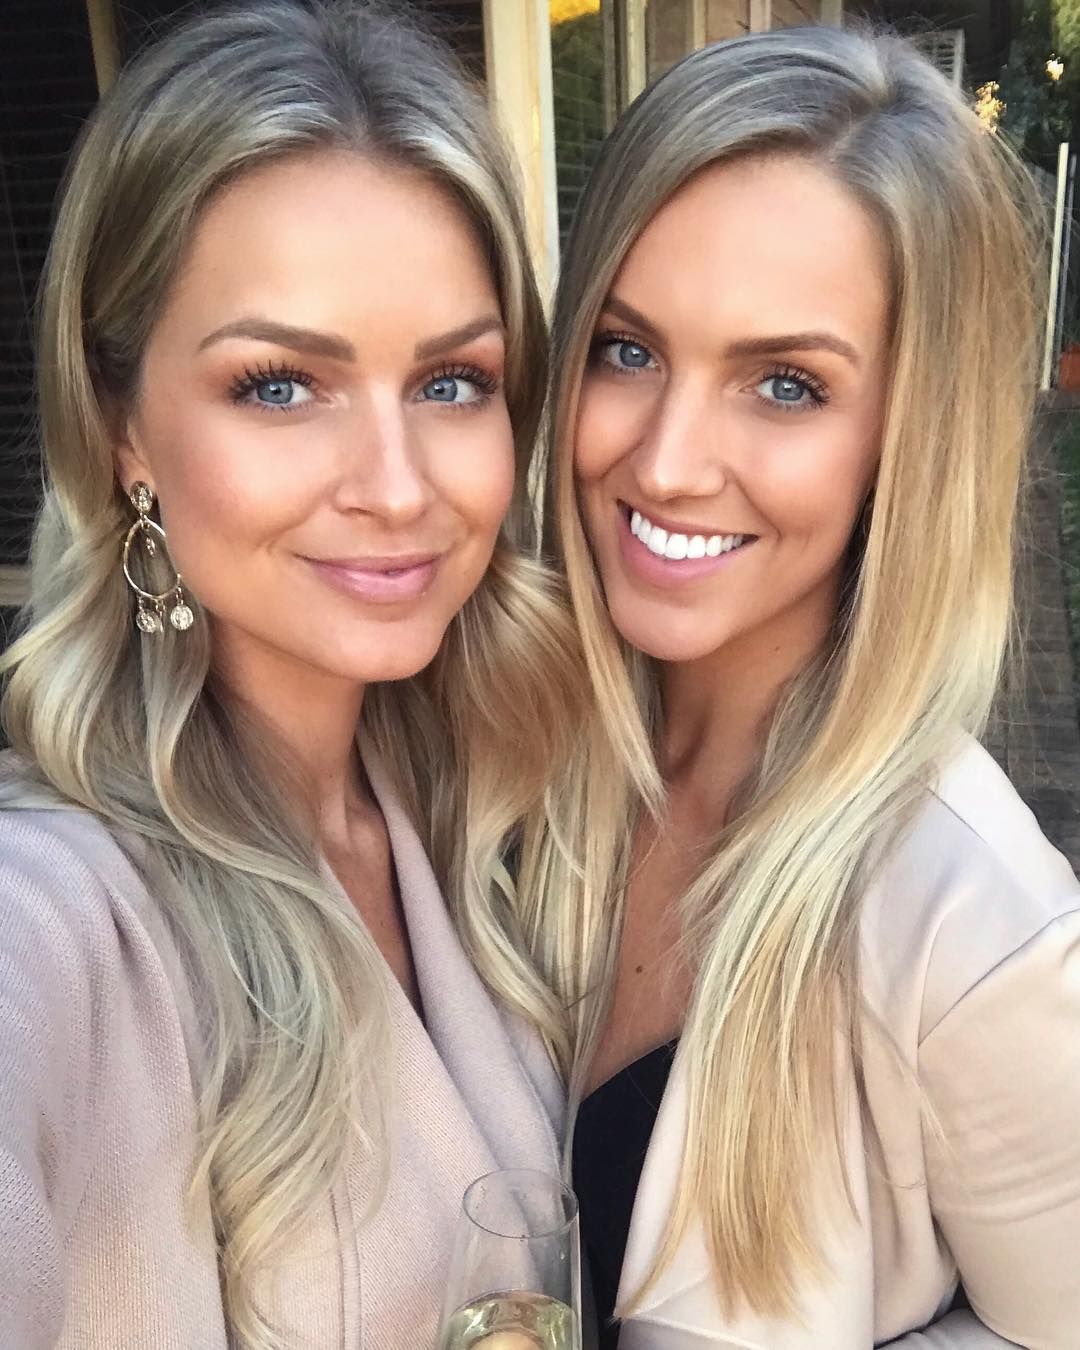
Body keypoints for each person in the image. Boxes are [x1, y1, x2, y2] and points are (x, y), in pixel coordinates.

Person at [481, 24, 1080, 1348]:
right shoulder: (509, 760)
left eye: (787, 384)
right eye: (629, 350)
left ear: (907, 437)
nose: (668, 461)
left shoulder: (973, 921)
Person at [0, 3, 581, 1346]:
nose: (397, 486)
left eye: (452, 382)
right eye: (278, 385)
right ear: (123, 431)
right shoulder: (62, 903)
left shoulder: (473, 801)